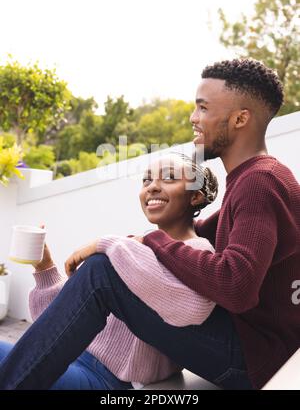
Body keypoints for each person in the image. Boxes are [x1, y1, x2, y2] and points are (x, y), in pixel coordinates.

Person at [0, 58, 299, 390]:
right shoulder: (255, 180)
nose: (193, 117)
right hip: (249, 350)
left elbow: (236, 285)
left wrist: (138, 242)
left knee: (102, 270)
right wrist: (137, 243)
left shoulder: (260, 182)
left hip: (253, 359)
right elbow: (203, 232)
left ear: (240, 118)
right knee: (107, 265)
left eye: (202, 108)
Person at [0, 154, 218, 390]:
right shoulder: (136, 247)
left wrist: (108, 243)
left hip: (106, 381)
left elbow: (189, 306)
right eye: (146, 180)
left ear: (195, 195)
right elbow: (60, 325)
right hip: (69, 357)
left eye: (169, 178)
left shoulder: (198, 252)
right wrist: (44, 267)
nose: (153, 186)